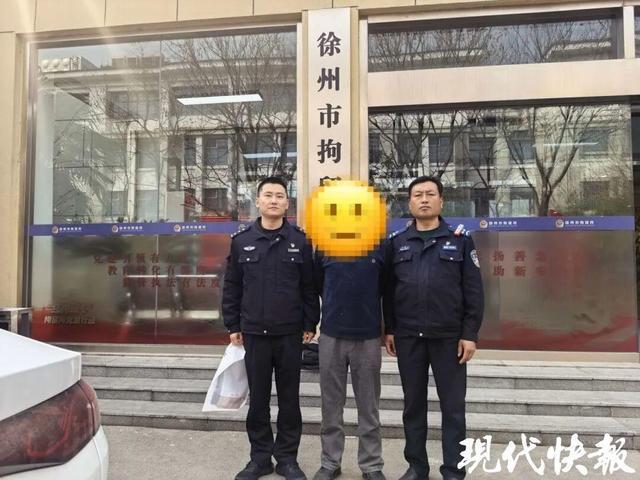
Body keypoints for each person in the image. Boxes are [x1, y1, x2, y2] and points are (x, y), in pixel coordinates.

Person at [383, 175, 484, 480]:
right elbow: (389, 291)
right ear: (410, 202)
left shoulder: (460, 239)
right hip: (409, 337)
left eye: (430, 194)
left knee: (453, 409)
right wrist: (390, 329)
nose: (424, 199)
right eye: (418, 195)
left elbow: (473, 291)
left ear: (441, 200)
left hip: (448, 338)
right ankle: (417, 467)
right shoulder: (397, 242)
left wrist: (469, 334)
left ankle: (454, 469)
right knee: (413, 407)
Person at [222, 177, 320, 480]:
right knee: (259, 401)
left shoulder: (300, 241)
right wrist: (232, 324)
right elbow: (232, 286)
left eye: (280, 195)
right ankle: (260, 458)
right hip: (254, 333)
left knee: (289, 400)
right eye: (268, 195)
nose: (274, 200)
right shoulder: (241, 241)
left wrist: (310, 322)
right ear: (258, 201)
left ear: (287, 203)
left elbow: (309, 286)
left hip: (290, 334)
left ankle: (287, 459)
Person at [312, 245, 388, 480]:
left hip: (368, 336)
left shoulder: (381, 246)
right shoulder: (325, 246)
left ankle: (371, 465)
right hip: (332, 335)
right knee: (331, 405)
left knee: (369, 406)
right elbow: (317, 286)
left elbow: (387, 288)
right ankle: (330, 462)